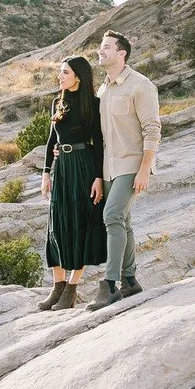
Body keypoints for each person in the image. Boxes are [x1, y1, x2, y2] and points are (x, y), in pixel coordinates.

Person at [90, 29, 160, 311]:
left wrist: (145, 169)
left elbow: (153, 130)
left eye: (106, 47)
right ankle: (130, 280)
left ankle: (109, 284)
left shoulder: (141, 86)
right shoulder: (103, 90)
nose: (100, 51)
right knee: (124, 221)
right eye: (100, 47)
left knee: (112, 215)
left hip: (132, 164)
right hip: (109, 167)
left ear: (122, 54)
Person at [36, 55, 107, 311]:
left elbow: (98, 144)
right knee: (56, 225)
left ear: (78, 75)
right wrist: (46, 173)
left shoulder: (94, 104)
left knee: (79, 223)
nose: (60, 76)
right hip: (62, 167)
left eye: (64, 72)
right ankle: (57, 286)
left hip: (83, 166)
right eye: (60, 72)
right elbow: (50, 142)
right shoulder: (57, 102)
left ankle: (72, 288)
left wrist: (98, 177)